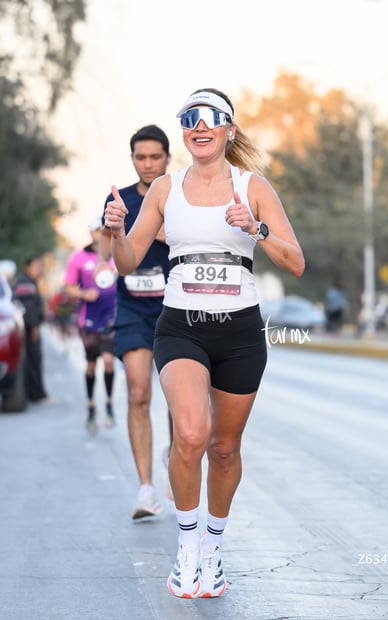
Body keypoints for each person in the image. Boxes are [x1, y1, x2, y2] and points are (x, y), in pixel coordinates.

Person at [104, 88, 305, 598]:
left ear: (228, 130)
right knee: (191, 433)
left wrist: (255, 228)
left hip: (238, 332)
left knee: (224, 446)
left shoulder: (252, 186)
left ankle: (214, 549)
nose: (199, 125)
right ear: (185, 130)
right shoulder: (165, 189)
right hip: (180, 326)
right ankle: (188, 546)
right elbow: (127, 263)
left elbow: (295, 262)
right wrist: (116, 233)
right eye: (189, 117)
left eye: (210, 118)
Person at [98, 125, 173, 519]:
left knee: (180, 399)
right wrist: (117, 230)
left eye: (154, 157)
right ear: (132, 160)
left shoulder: (181, 197)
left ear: (167, 157)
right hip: (133, 311)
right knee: (139, 391)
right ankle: (145, 489)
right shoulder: (120, 201)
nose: (148, 164)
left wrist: (168, 233)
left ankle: (175, 457)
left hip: (177, 310)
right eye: (140, 157)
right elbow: (112, 257)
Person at [64, 217, 117, 434]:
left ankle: (109, 404)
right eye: (96, 230)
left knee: (108, 361)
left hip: (111, 318)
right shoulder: (79, 257)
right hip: (88, 319)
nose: (99, 233)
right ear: (91, 233)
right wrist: (85, 293)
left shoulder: (116, 256)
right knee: (91, 365)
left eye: (103, 230)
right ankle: (90, 406)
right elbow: (68, 288)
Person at [13, 256, 49, 403]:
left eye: (40, 266)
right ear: (27, 267)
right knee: (33, 359)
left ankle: (34, 393)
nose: (39, 269)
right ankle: (36, 395)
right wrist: (34, 327)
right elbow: (28, 308)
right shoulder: (25, 284)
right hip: (28, 329)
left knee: (33, 359)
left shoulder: (31, 282)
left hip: (28, 328)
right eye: (36, 266)